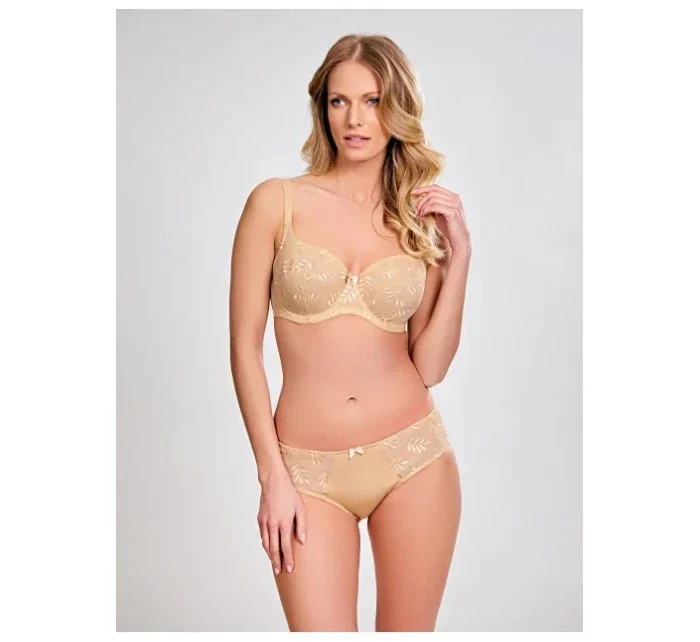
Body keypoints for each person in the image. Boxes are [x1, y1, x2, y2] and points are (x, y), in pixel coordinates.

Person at [229, 34, 472, 632]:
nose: (355, 119)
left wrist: (459, 256)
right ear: (323, 108)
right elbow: (244, 349)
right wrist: (272, 477)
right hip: (306, 473)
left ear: (398, 108)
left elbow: (431, 366)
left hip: (414, 459)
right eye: (340, 101)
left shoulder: (414, 220)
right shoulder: (276, 203)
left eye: (372, 101)